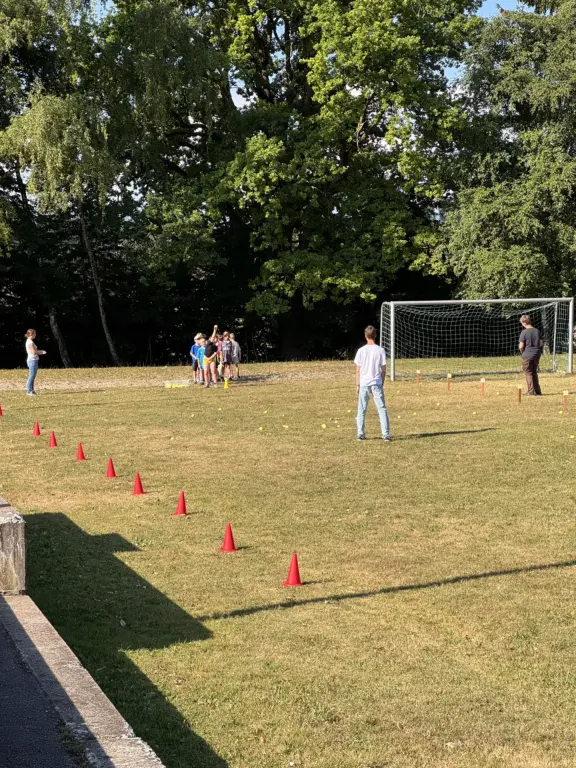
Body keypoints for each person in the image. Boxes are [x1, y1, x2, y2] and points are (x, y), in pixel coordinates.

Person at [354, 325, 391, 441]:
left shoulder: (361, 351)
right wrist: (382, 382)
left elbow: (358, 370)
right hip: (376, 382)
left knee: (362, 409)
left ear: (366, 336)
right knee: (381, 408)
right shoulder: (380, 350)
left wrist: (358, 384)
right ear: (375, 336)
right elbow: (384, 369)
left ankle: (360, 433)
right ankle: (386, 435)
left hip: (364, 383)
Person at [519, 313, 544, 395]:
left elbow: (521, 346)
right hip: (537, 354)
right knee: (534, 372)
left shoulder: (524, 332)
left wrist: (522, 352)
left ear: (524, 322)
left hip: (527, 355)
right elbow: (541, 343)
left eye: (521, 322)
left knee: (528, 372)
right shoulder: (537, 331)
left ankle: (531, 391)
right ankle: (537, 391)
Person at [24, 329, 46, 397]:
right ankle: (29, 390)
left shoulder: (30, 341)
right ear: (32, 334)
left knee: (33, 376)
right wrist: (42, 352)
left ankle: (32, 390)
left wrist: (40, 351)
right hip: (32, 360)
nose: (35, 335)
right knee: (31, 376)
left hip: (33, 360)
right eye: (35, 334)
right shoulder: (30, 342)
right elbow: (34, 352)